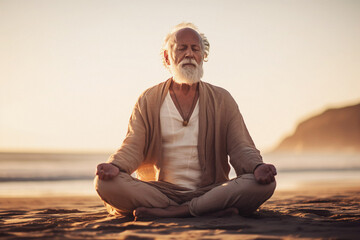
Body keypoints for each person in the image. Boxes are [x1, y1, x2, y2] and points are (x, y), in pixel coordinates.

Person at [94, 23, 276, 219]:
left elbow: (241, 147)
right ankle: (207, 210)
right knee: (103, 184)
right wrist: (116, 165)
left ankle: (177, 211)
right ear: (167, 57)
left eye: (195, 49)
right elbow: (133, 145)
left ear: (202, 57)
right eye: (182, 48)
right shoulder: (148, 99)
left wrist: (257, 167)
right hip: (159, 192)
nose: (189, 54)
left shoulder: (223, 99)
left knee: (263, 184)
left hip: (210, 190)